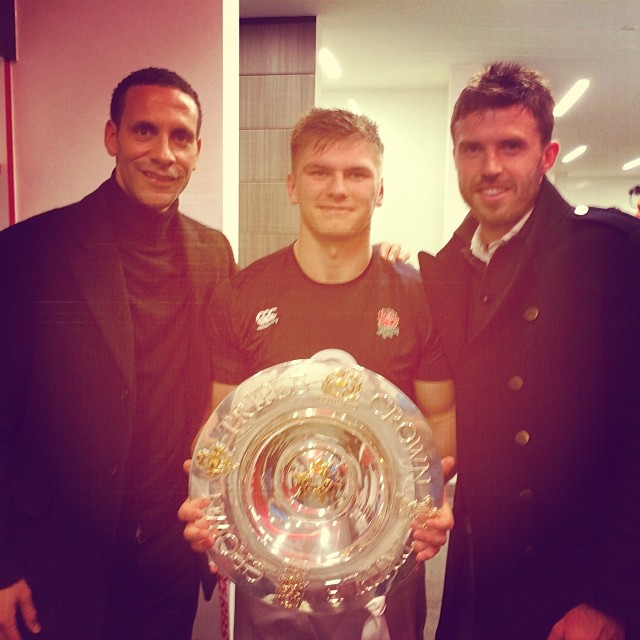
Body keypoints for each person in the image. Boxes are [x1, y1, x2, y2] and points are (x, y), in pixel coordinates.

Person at [180, 107, 456, 640]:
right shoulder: (241, 296)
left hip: (383, 560)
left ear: (380, 190)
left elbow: (440, 417)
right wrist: (209, 503)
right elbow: (221, 430)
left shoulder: (421, 298)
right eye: (319, 171)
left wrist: (427, 505)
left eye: (356, 174)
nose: (338, 188)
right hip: (275, 558)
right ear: (291, 185)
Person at [0, 67, 236, 640]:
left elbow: (229, 396)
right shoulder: (31, 251)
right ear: (113, 137)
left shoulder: (213, 254)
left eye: (180, 137)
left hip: (166, 557)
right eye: (144, 132)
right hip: (55, 558)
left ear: (198, 150)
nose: (163, 153)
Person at [418, 61, 640, 640]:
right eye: (473, 149)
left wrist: (614, 599)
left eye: (511, 146)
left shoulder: (611, 256)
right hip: (477, 578)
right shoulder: (444, 271)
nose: (490, 167)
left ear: (547, 156)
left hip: (576, 586)